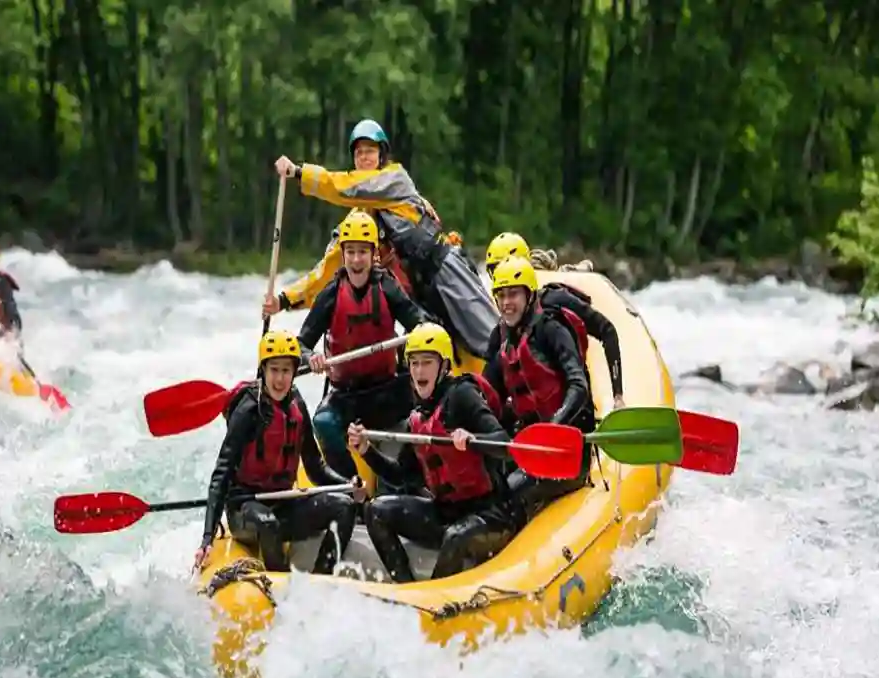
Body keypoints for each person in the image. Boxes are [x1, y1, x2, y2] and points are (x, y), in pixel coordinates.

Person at [264, 119, 499, 358]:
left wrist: (299, 172)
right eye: (358, 153)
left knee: (490, 339)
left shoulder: (394, 179)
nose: (364, 157)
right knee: (443, 355)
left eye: (370, 151)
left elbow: (345, 187)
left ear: (382, 155)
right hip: (420, 295)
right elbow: (328, 268)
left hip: (445, 271)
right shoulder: (360, 220)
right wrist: (284, 300)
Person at [347, 323, 520, 583]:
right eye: (414, 363)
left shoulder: (463, 395)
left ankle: (436, 604)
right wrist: (366, 451)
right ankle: (405, 589)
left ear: (445, 366)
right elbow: (400, 476)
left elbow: (505, 445)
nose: (419, 371)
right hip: (445, 512)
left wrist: (474, 439)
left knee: (456, 536)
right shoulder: (418, 417)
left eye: (427, 362)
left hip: (490, 514)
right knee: (376, 510)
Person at [195, 331, 362, 575]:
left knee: (345, 507)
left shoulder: (297, 405)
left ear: (294, 372)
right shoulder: (248, 410)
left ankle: (322, 578)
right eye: (274, 370)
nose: (280, 379)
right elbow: (221, 474)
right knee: (266, 522)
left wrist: (347, 484)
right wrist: (207, 537)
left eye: (286, 370)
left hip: (283, 504)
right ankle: (281, 588)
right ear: (263, 370)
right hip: (246, 509)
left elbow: (315, 467)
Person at [296, 209, 432, 479]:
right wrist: (311, 357)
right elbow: (300, 345)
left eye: (363, 252)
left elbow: (420, 322)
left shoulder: (387, 287)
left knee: (420, 417)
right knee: (323, 422)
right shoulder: (331, 295)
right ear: (343, 254)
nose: (357, 260)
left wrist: (413, 343)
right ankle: (350, 488)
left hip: (388, 392)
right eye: (351, 252)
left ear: (373, 255)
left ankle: (401, 485)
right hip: (346, 397)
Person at [484, 255, 595, 518]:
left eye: (514, 295)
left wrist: (553, 427)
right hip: (530, 447)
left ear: (529, 295)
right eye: (501, 296)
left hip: (568, 452)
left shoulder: (551, 329)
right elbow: (488, 398)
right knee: (488, 485)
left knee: (508, 494)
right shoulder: (501, 340)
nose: (507, 303)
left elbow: (578, 386)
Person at [483, 231, 625, 410]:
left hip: (569, 411)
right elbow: (487, 385)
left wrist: (618, 397)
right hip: (531, 419)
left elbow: (607, 330)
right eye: (495, 270)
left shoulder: (554, 305)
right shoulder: (501, 331)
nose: (502, 276)